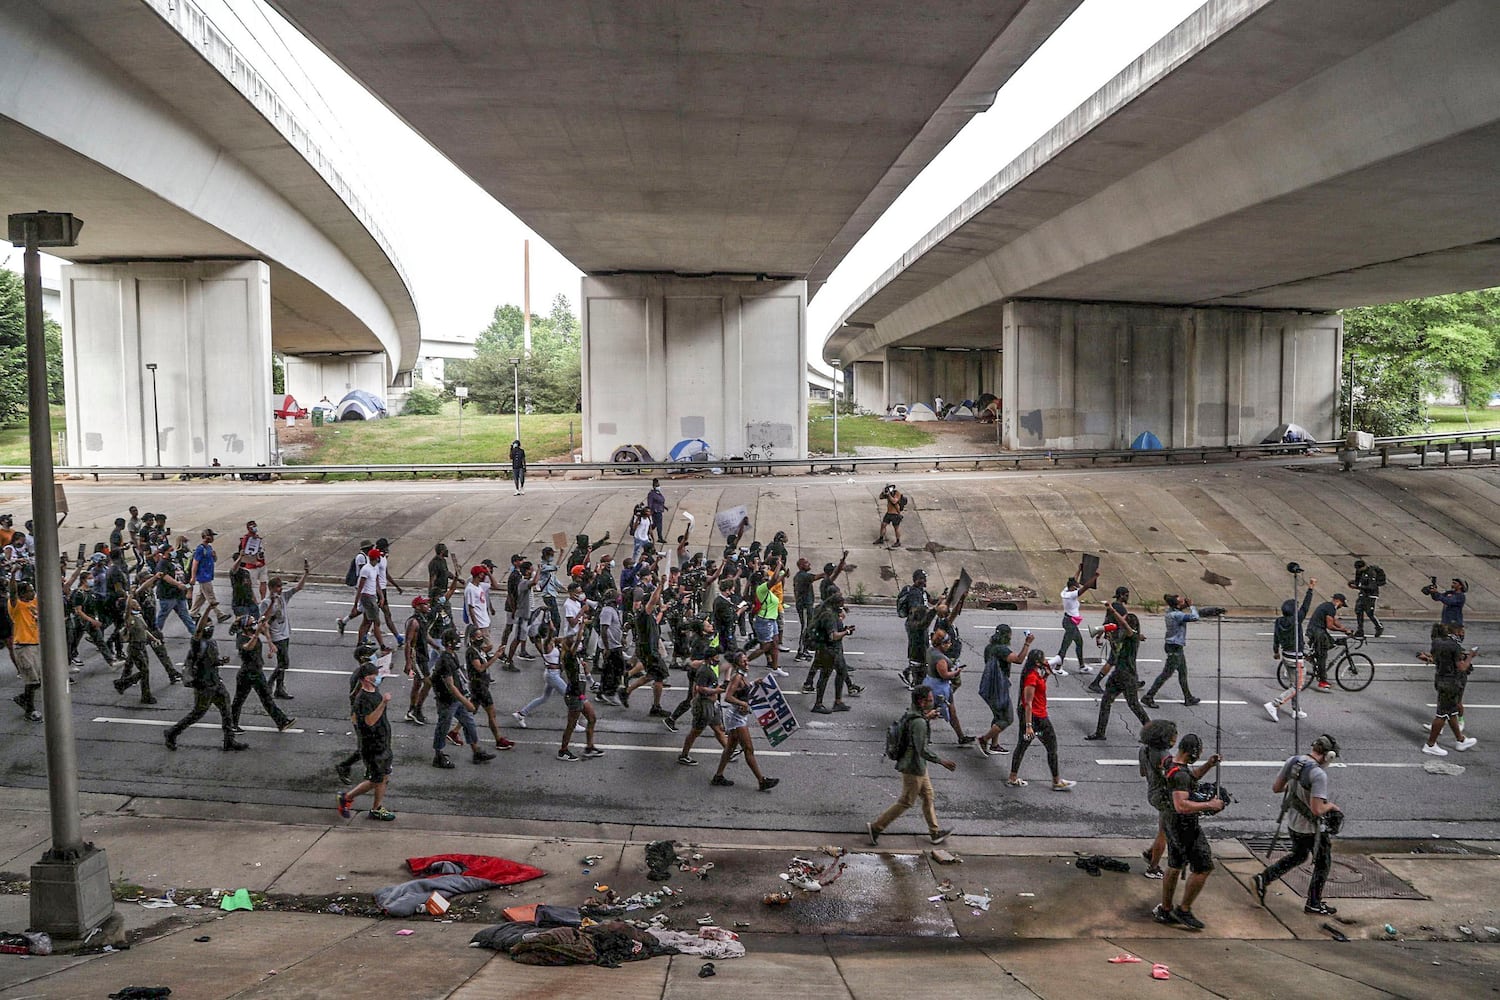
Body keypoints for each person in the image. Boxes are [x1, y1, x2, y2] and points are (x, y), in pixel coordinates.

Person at [1251, 735, 1343, 916]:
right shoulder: (1318, 774)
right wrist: (1332, 806)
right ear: (1328, 755)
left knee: (1299, 855)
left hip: (1293, 824)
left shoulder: (1293, 760)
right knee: (1323, 863)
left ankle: (1263, 879)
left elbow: (1277, 788)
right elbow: (1317, 809)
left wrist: (1296, 788)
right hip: (1311, 829)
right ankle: (1314, 903)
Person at [1153, 733, 1224, 930]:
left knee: (1174, 865)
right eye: (1198, 754)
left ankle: (1165, 910)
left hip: (1169, 822)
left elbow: (1190, 778)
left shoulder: (1170, 764)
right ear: (1190, 752)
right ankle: (1183, 909)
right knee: (1203, 867)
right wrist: (1210, 804)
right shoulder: (1180, 775)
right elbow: (1181, 805)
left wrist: (1209, 765)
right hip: (1184, 826)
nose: (1197, 757)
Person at [867, 686, 955, 845]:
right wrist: (942, 761)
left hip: (918, 766)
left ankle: (935, 832)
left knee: (928, 796)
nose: (932, 701)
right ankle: (876, 827)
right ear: (921, 702)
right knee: (906, 801)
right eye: (930, 700)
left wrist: (927, 718)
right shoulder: (919, 723)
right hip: (913, 767)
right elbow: (922, 750)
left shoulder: (913, 715)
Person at [165, 616, 246, 752]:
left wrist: (220, 661)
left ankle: (229, 740)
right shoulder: (197, 644)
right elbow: (198, 633)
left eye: (211, 626)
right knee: (198, 713)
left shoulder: (211, 642)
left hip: (215, 682)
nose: (211, 629)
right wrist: (208, 609)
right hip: (203, 685)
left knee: (226, 710)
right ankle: (172, 733)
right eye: (207, 627)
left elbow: (212, 661)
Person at [1007, 650, 1076, 791]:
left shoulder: (1035, 673)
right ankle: (1056, 781)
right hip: (1038, 718)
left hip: (1034, 717)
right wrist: (1029, 726)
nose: (1046, 660)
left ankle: (1013, 777)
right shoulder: (1032, 677)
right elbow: (1028, 703)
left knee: (1022, 745)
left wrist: (1045, 677)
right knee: (1051, 747)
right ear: (1037, 662)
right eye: (1043, 658)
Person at [711, 652, 779, 790]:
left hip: (738, 716)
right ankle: (761, 780)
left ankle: (718, 776)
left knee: (730, 748)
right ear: (737, 664)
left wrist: (754, 683)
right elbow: (728, 697)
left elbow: (742, 690)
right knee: (748, 749)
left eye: (747, 660)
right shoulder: (737, 677)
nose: (747, 663)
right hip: (736, 718)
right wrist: (743, 704)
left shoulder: (742, 676)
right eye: (743, 662)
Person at [337, 660, 396, 822]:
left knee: (383, 776)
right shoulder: (362, 699)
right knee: (375, 778)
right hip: (372, 746)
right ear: (365, 678)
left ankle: (377, 807)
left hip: (382, 742)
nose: (377, 677)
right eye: (373, 675)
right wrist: (383, 703)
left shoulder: (373, 691)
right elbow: (369, 721)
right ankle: (347, 797)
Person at [430, 629, 496, 768]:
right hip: (447, 700)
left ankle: (476, 751)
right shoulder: (446, 660)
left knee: (469, 723)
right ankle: (438, 754)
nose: (459, 642)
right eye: (456, 640)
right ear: (449, 643)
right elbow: (450, 686)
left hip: (456, 699)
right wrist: (467, 702)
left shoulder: (452, 656)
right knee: (443, 726)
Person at [1084, 613, 1151, 740]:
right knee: (1106, 702)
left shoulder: (1132, 636)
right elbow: (1116, 653)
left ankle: (1151, 733)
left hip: (1128, 676)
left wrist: (1112, 610)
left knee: (1134, 705)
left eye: (1123, 620)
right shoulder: (1123, 635)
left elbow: (1125, 626)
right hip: (1118, 675)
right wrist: (1111, 641)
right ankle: (1100, 733)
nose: (1120, 622)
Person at [1418, 624, 1478, 756]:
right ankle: (1430, 744)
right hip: (1451, 683)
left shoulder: (1436, 644)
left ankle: (1460, 740)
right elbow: (1462, 667)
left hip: (1440, 680)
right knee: (1442, 714)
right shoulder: (1454, 646)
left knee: (1450, 712)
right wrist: (1471, 656)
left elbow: (1437, 660)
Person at [1265, 580, 1315, 723]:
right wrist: (1310, 589)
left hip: (1286, 655)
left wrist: (1276, 651)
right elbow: (1306, 607)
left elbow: (1276, 637)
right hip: (1296, 657)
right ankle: (1275, 704)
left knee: (1293, 684)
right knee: (1298, 686)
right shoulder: (1296, 620)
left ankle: (1296, 710)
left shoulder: (1279, 621)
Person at [977, 624, 1030, 756]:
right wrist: (1027, 644)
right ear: (1007, 636)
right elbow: (1018, 659)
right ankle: (984, 739)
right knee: (1007, 719)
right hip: (998, 688)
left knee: (998, 715)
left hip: (989, 687)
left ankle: (994, 745)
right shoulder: (1001, 650)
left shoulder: (989, 648)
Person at [463, 625, 517, 751]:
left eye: (481, 636)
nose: (481, 638)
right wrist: (496, 656)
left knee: (471, 711)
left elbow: (485, 656)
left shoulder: (478, 650)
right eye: (478, 637)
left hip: (480, 685)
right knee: (491, 714)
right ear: (472, 638)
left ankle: (454, 732)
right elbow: (480, 668)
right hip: (479, 686)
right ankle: (498, 739)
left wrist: (496, 651)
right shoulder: (472, 652)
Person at [1142, 595, 1202, 709]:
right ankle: (1149, 696)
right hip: (1174, 647)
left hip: (1175, 646)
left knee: (1183, 672)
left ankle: (1188, 697)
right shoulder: (1177, 615)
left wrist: (1184, 604)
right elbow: (1195, 617)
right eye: (1181, 601)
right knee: (1166, 674)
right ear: (1177, 605)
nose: (1184, 602)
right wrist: (1191, 606)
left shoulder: (1171, 611)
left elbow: (1178, 608)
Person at [556, 624, 605, 762]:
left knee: (592, 718)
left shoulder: (576, 658)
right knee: (571, 724)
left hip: (580, 695)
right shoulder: (569, 657)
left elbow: (583, 676)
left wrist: (586, 671)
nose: (581, 643)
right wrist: (581, 628)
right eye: (578, 643)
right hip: (574, 696)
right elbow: (576, 641)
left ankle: (589, 747)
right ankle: (563, 750)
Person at [260, 563, 309, 700]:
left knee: (282, 663)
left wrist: (306, 574)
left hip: (285, 633)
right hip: (276, 635)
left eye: (281, 587)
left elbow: (297, 588)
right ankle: (270, 684)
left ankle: (279, 688)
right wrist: (272, 602)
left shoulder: (283, 597)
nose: (280, 590)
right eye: (277, 587)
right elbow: (263, 619)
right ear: (271, 588)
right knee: (284, 663)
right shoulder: (265, 602)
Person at [1138, 719, 1179, 880]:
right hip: (1164, 796)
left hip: (1152, 791)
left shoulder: (1143, 750)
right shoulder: (1165, 756)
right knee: (1164, 833)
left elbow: (1143, 772)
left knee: (1163, 828)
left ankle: (1151, 852)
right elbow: (1173, 777)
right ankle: (1153, 867)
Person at [809, 593, 855, 714]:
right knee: (825, 675)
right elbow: (833, 636)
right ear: (836, 604)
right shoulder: (829, 616)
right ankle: (818, 704)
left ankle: (838, 702)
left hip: (833, 650)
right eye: (841, 605)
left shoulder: (829, 612)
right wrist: (847, 632)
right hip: (828, 650)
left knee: (842, 672)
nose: (842, 608)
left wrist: (844, 629)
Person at [922, 628, 970, 744]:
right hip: (939, 688)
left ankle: (926, 737)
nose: (950, 645)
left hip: (929, 683)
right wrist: (956, 672)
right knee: (937, 712)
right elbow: (944, 675)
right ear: (942, 644)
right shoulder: (941, 659)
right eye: (947, 643)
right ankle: (960, 737)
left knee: (929, 710)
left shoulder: (930, 651)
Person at [7, 576, 41, 721]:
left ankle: (23, 698)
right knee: (32, 681)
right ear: (22, 594)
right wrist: (13, 575)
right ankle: (29, 710)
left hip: (34, 645)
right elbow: (13, 592)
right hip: (23, 646)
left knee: (38, 680)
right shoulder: (16, 605)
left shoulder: (33, 602)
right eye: (29, 591)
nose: (32, 593)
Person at [1305, 592, 1350, 692]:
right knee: (1322, 655)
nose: (1340, 607)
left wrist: (1344, 628)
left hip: (1314, 630)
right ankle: (1322, 681)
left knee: (1330, 643)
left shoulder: (1327, 606)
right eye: (1342, 605)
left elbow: (1334, 621)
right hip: (1317, 632)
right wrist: (1343, 631)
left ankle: (1313, 657)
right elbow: (1330, 626)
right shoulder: (1331, 608)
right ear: (1338, 601)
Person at [1058, 571, 1097, 674]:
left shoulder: (1066, 590)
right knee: (1065, 645)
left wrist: (1079, 570)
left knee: (1079, 643)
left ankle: (1082, 665)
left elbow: (1073, 580)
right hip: (1070, 623)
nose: (1077, 588)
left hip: (1070, 622)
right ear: (1072, 588)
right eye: (1076, 587)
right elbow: (1086, 587)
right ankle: (1057, 667)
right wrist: (1095, 576)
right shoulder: (1071, 595)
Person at [188, 528, 229, 623]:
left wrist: (214, 556)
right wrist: (193, 577)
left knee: (201, 597)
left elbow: (213, 560)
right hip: (203, 576)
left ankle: (192, 613)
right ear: (205, 536)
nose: (212, 538)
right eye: (211, 536)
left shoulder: (209, 548)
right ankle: (219, 614)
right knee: (211, 596)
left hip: (208, 575)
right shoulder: (200, 549)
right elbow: (195, 563)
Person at [1348, 560, 1384, 638]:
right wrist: (1353, 583)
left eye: (1359, 568)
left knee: (1369, 612)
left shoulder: (1371, 573)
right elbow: (1358, 582)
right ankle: (1360, 629)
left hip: (1371, 595)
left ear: (1364, 566)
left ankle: (1379, 626)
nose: (1358, 570)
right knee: (1358, 611)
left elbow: (1372, 587)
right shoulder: (1359, 572)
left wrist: (1358, 587)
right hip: (1363, 594)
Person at [237, 520, 269, 602]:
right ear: (248, 528)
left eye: (255, 526)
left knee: (263, 581)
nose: (255, 528)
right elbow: (244, 553)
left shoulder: (257, 538)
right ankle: (253, 601)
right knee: (252, 585)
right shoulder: (246, 538)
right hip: (252, 566)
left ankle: (263, 600)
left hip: (262, 563)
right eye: (252, 526)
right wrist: (254, 562)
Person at [646, 479, 668, 543]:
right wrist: (649, 511)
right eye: (657, 485)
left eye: (658, 485)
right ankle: (660, 538)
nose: (658, 486)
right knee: (658, 525)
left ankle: (646, 533)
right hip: (655, 512)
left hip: (659, 510)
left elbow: (660, 501)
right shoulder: (651, 494)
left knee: (655, 525)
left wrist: (664, 507)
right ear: (654, 486)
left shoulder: (658, 493)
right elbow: (650, 503)